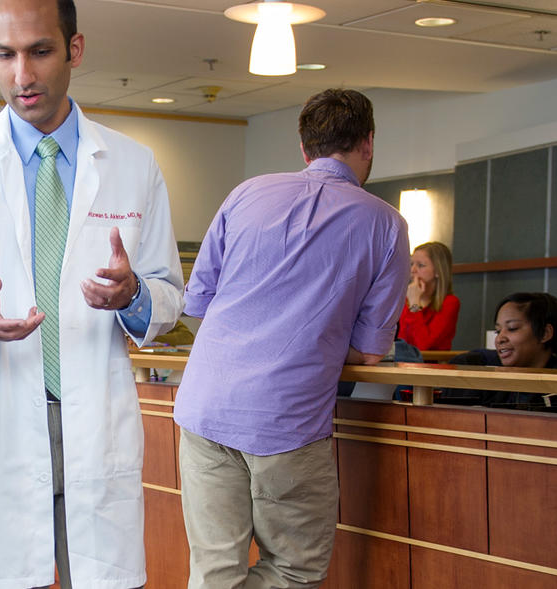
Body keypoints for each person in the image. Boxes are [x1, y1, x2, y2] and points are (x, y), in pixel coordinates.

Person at [0, 0, 186, 586]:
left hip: (95, 426)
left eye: (39, 51)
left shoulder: (133, 165)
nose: (21, 75)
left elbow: (170, 297)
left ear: (74, 50)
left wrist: (133, 296)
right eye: (5, 55)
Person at [174, 88, 408, 589]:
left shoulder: (246, 193)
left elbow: (195, 304)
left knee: (215, 570)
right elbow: (370, 350)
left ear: (304, 148)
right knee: (295, 568)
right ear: (368, 143)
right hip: (290, 420)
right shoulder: (387, 225)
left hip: (206, 408)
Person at [445, 292, 557, 409]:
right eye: (497, 331)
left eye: (512, 328)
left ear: (545, 333)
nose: (499, 339)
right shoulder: (480, 367)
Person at [398, 241, 459, 351]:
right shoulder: (405, 301)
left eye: (420, 265)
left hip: (432, 365)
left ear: (438, 271)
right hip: (403, 364)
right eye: (412, 264)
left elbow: (423, 345)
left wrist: (415, 304)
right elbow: (401, 343)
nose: (413, 270)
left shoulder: (450, 303)